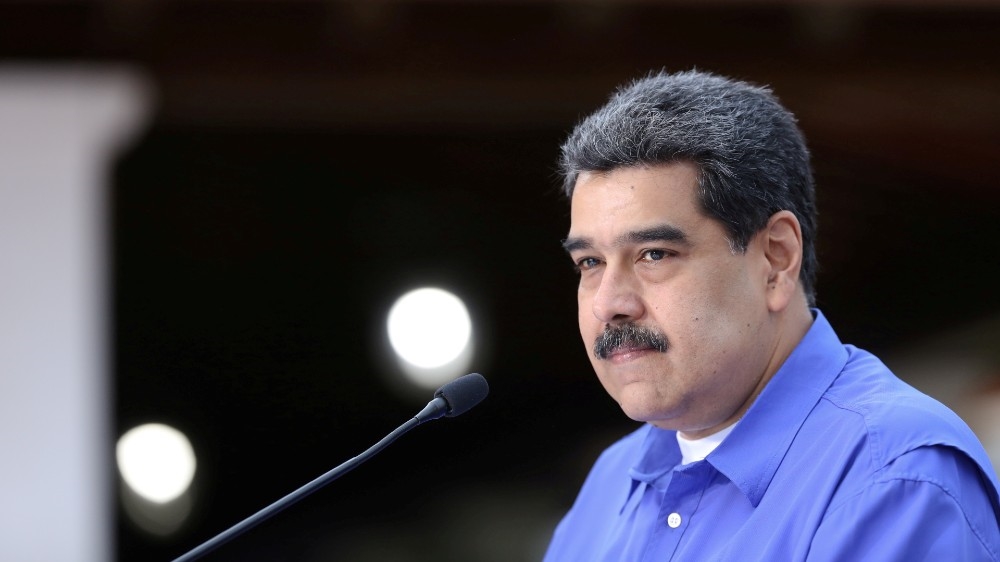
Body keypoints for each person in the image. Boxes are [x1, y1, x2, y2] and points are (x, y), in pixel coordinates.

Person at [542, 69, 1000, 561]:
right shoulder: (611, 483)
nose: (608, 303)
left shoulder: (895, 476)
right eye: (590, 263)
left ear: (776, 258)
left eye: (654, 254)